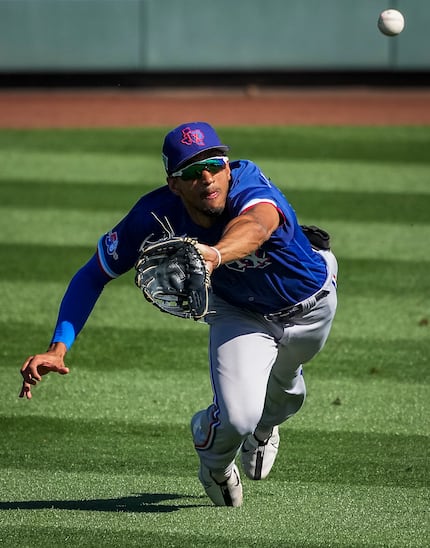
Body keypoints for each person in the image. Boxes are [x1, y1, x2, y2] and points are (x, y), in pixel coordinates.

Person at [19, 121, 338, 507]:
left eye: (215, 164)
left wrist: (216, 254)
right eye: (191, 172)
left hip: (313, 303)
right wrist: (58, 348)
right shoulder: (152, 217)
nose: (207, 178)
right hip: (240, 312)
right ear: (174, 184)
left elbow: (256, 225)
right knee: (237, 417)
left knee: (286, 394)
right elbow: (92, 276)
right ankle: (215, 464)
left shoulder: (248, 181)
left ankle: (265, 429)